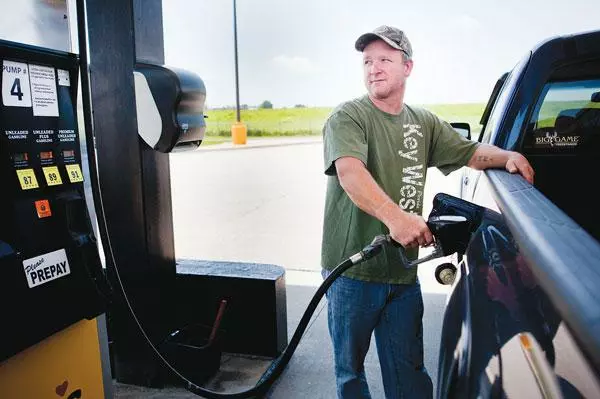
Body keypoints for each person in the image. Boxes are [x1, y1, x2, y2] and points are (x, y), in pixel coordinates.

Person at [321, 25, 534, 399]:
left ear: (408, 67)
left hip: (402, 273)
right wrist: (398, 219)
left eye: (384, 59)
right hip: (352, 271)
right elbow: (350, 173)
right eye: (367, 61)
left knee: (409, 371)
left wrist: (508, 157)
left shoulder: (423, 122)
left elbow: (470, 152)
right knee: (350, 373)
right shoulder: (348, 117)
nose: (374, 68)